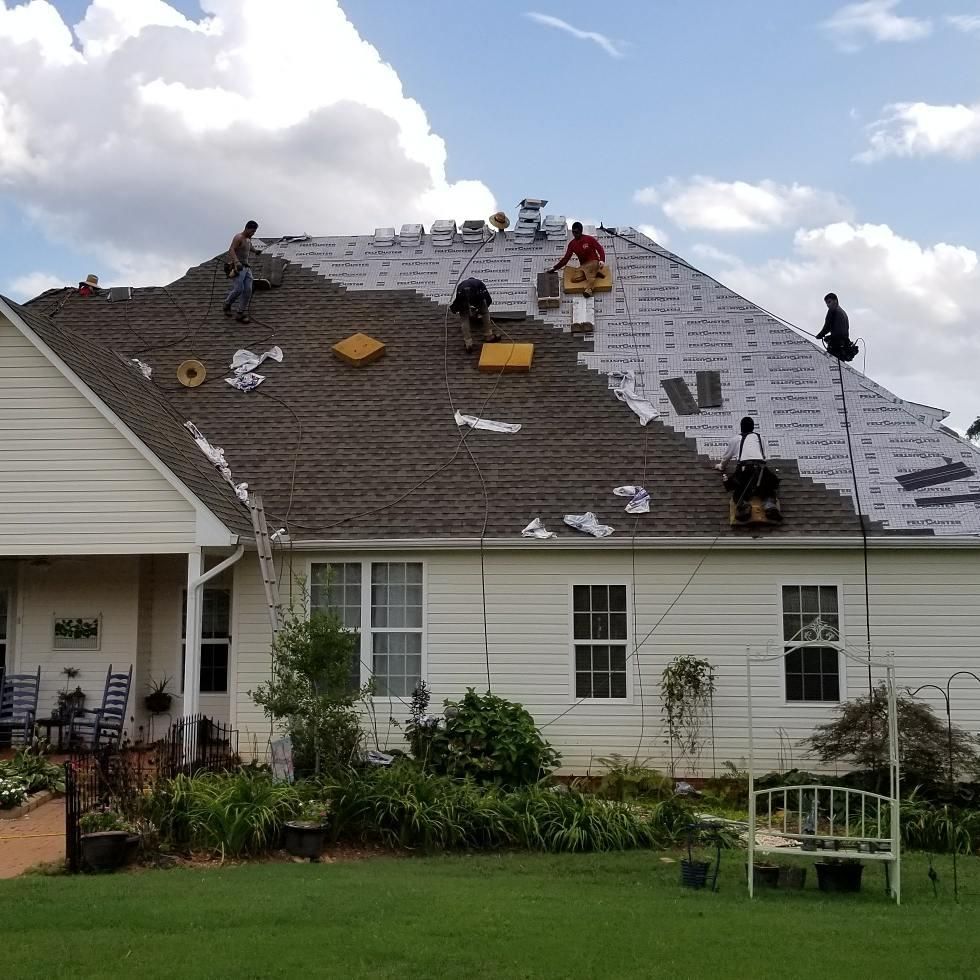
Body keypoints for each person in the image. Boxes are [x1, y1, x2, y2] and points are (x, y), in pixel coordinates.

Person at [715, 416, 781, 523]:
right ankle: (769, 505)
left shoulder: (736, 439)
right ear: (753, 428)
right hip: (761, 469)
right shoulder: (760, 438)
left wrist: (720, 467)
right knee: (768, 490)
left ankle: (744, 506)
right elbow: (763, 456)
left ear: (741, 428)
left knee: (739, 493)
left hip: (745, 469)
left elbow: (726, 458)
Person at [549, 221, 606, 297]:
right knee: (574, 279)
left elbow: (600, 248)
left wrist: (602, 260)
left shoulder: (589, 239)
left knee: (590, 276)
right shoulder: (572, 244)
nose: (575, 234)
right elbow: (566, 258)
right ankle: (595, 273)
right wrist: (554, 268)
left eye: (577, 232)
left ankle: (588, 290)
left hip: (593, 262)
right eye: (573, 232)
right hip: (583, 266)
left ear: (581, 231)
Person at [449, 277, 500, 353]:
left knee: (464, 318)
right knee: (485, 312)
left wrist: (470, 311)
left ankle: (468, 344)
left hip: (462, 296)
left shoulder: (461, 285)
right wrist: (481, 311)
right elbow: (488, 299)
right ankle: (488, 336)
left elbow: (458, 301)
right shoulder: (479, 283)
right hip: (474, 295)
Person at [223, 220, 259, 324]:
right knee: (239, 288)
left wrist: (255, 251)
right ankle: (227, 304)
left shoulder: (248, 239)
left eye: (254, 232)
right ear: (247, 228)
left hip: (246, 268)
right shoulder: (239, 237)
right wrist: (237, 262)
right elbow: (232, 250)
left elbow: (249, 246)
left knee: (248, 289)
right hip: (238, 267)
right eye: (252, 231)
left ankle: (240, 312)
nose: (253, 233)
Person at [817, 292, 856, 361]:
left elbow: (827, 326)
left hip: (836, 345)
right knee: (839, 365)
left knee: (829, 363)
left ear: (835, 300)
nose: (828, 305)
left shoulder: (832, 310)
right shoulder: (843, 312)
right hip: (844, 346)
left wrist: (820, 335)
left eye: (829, 302)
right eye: (826, 303)